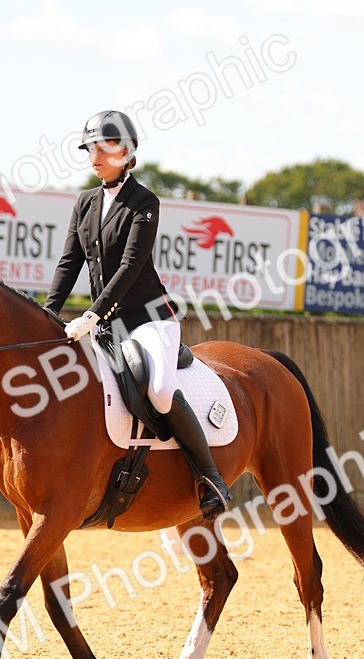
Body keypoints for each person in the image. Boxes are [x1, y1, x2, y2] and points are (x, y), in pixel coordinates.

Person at [45, 109, 231, 520]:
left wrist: (91, 315)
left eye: (101, 148)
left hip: (149, 319)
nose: (93, 156)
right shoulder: (85, 202)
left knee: (161, 390)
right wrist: (48, 313)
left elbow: (131, 266)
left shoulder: (144, 201)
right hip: (106, 323)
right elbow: (68, 263)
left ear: (126, 152)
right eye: (89, 149)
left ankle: (211, 478)